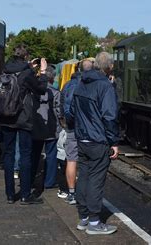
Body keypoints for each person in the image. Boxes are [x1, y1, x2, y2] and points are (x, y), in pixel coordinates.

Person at [68, 52, 119, 235]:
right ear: (110, 67)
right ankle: (95, 222)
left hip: (82, 138)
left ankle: (83, 218)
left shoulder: (81, 83)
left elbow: (72, 111)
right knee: (96, 180)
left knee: (84, 177)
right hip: (98, 140)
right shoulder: (105, 87)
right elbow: (110, 116)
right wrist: (113, 141)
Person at [0, 44, 48, 205]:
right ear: (26, 57)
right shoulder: (27, 74)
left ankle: (10, 194)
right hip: (23, 118)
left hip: (5, 117)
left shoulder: (4, 71)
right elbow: (41, 89)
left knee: (9, 155)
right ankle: (25, 194)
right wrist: (43, 72)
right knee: (26, 155)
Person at [59, 59, 93, 204]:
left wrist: (64, 122)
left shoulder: (67, 85)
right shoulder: (90, 85)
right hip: (87, 128)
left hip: (71, 126)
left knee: (71, 159)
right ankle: (86, 192)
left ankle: (71, 193)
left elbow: (60, 106)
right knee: (87, 161)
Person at [31, 67, 61, 192]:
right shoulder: (55, 92)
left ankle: (30, 178)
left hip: (36, 126)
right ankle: (49, 181)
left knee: (34, 154)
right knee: (51, 154)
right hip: (51, 127)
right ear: (52, 78)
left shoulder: (34, 91)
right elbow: (59, 111)